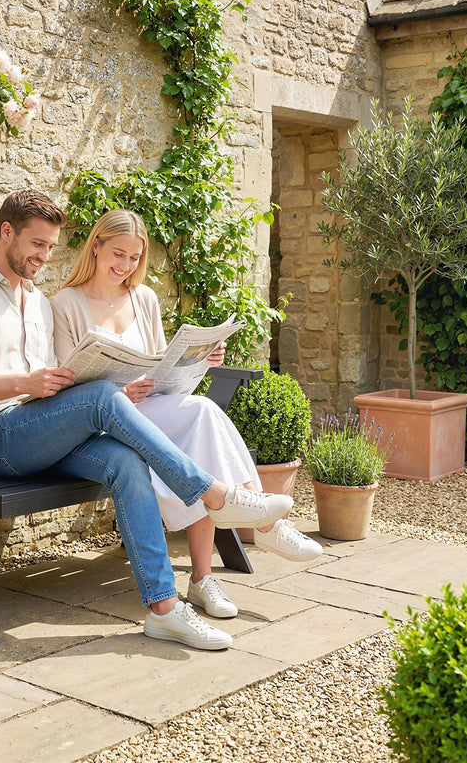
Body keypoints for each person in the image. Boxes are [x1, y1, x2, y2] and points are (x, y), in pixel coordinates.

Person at [0, 189, 295, 652]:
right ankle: (215, 493)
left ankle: (163, 609)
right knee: (101, 397)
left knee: (125, 460)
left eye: (50, 247)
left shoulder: (38, 301)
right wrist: (28, 382)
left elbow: (57, 378)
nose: (44, 256)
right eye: (37, 245)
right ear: (7, 233)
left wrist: (74, 378)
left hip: (44, 432)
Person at [51, 209, 322, 618]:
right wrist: (120, 392)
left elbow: (161, 369)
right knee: (199, 422)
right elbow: (64, 387)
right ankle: (259, 530)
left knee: (201, 413)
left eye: (134, 259)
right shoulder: (64, 304)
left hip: (150, 407)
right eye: (118, 254)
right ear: (96, 245)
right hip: (101, 424)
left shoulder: (142, 299)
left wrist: (199, 362)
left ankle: (206, 576)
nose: (125, 266)